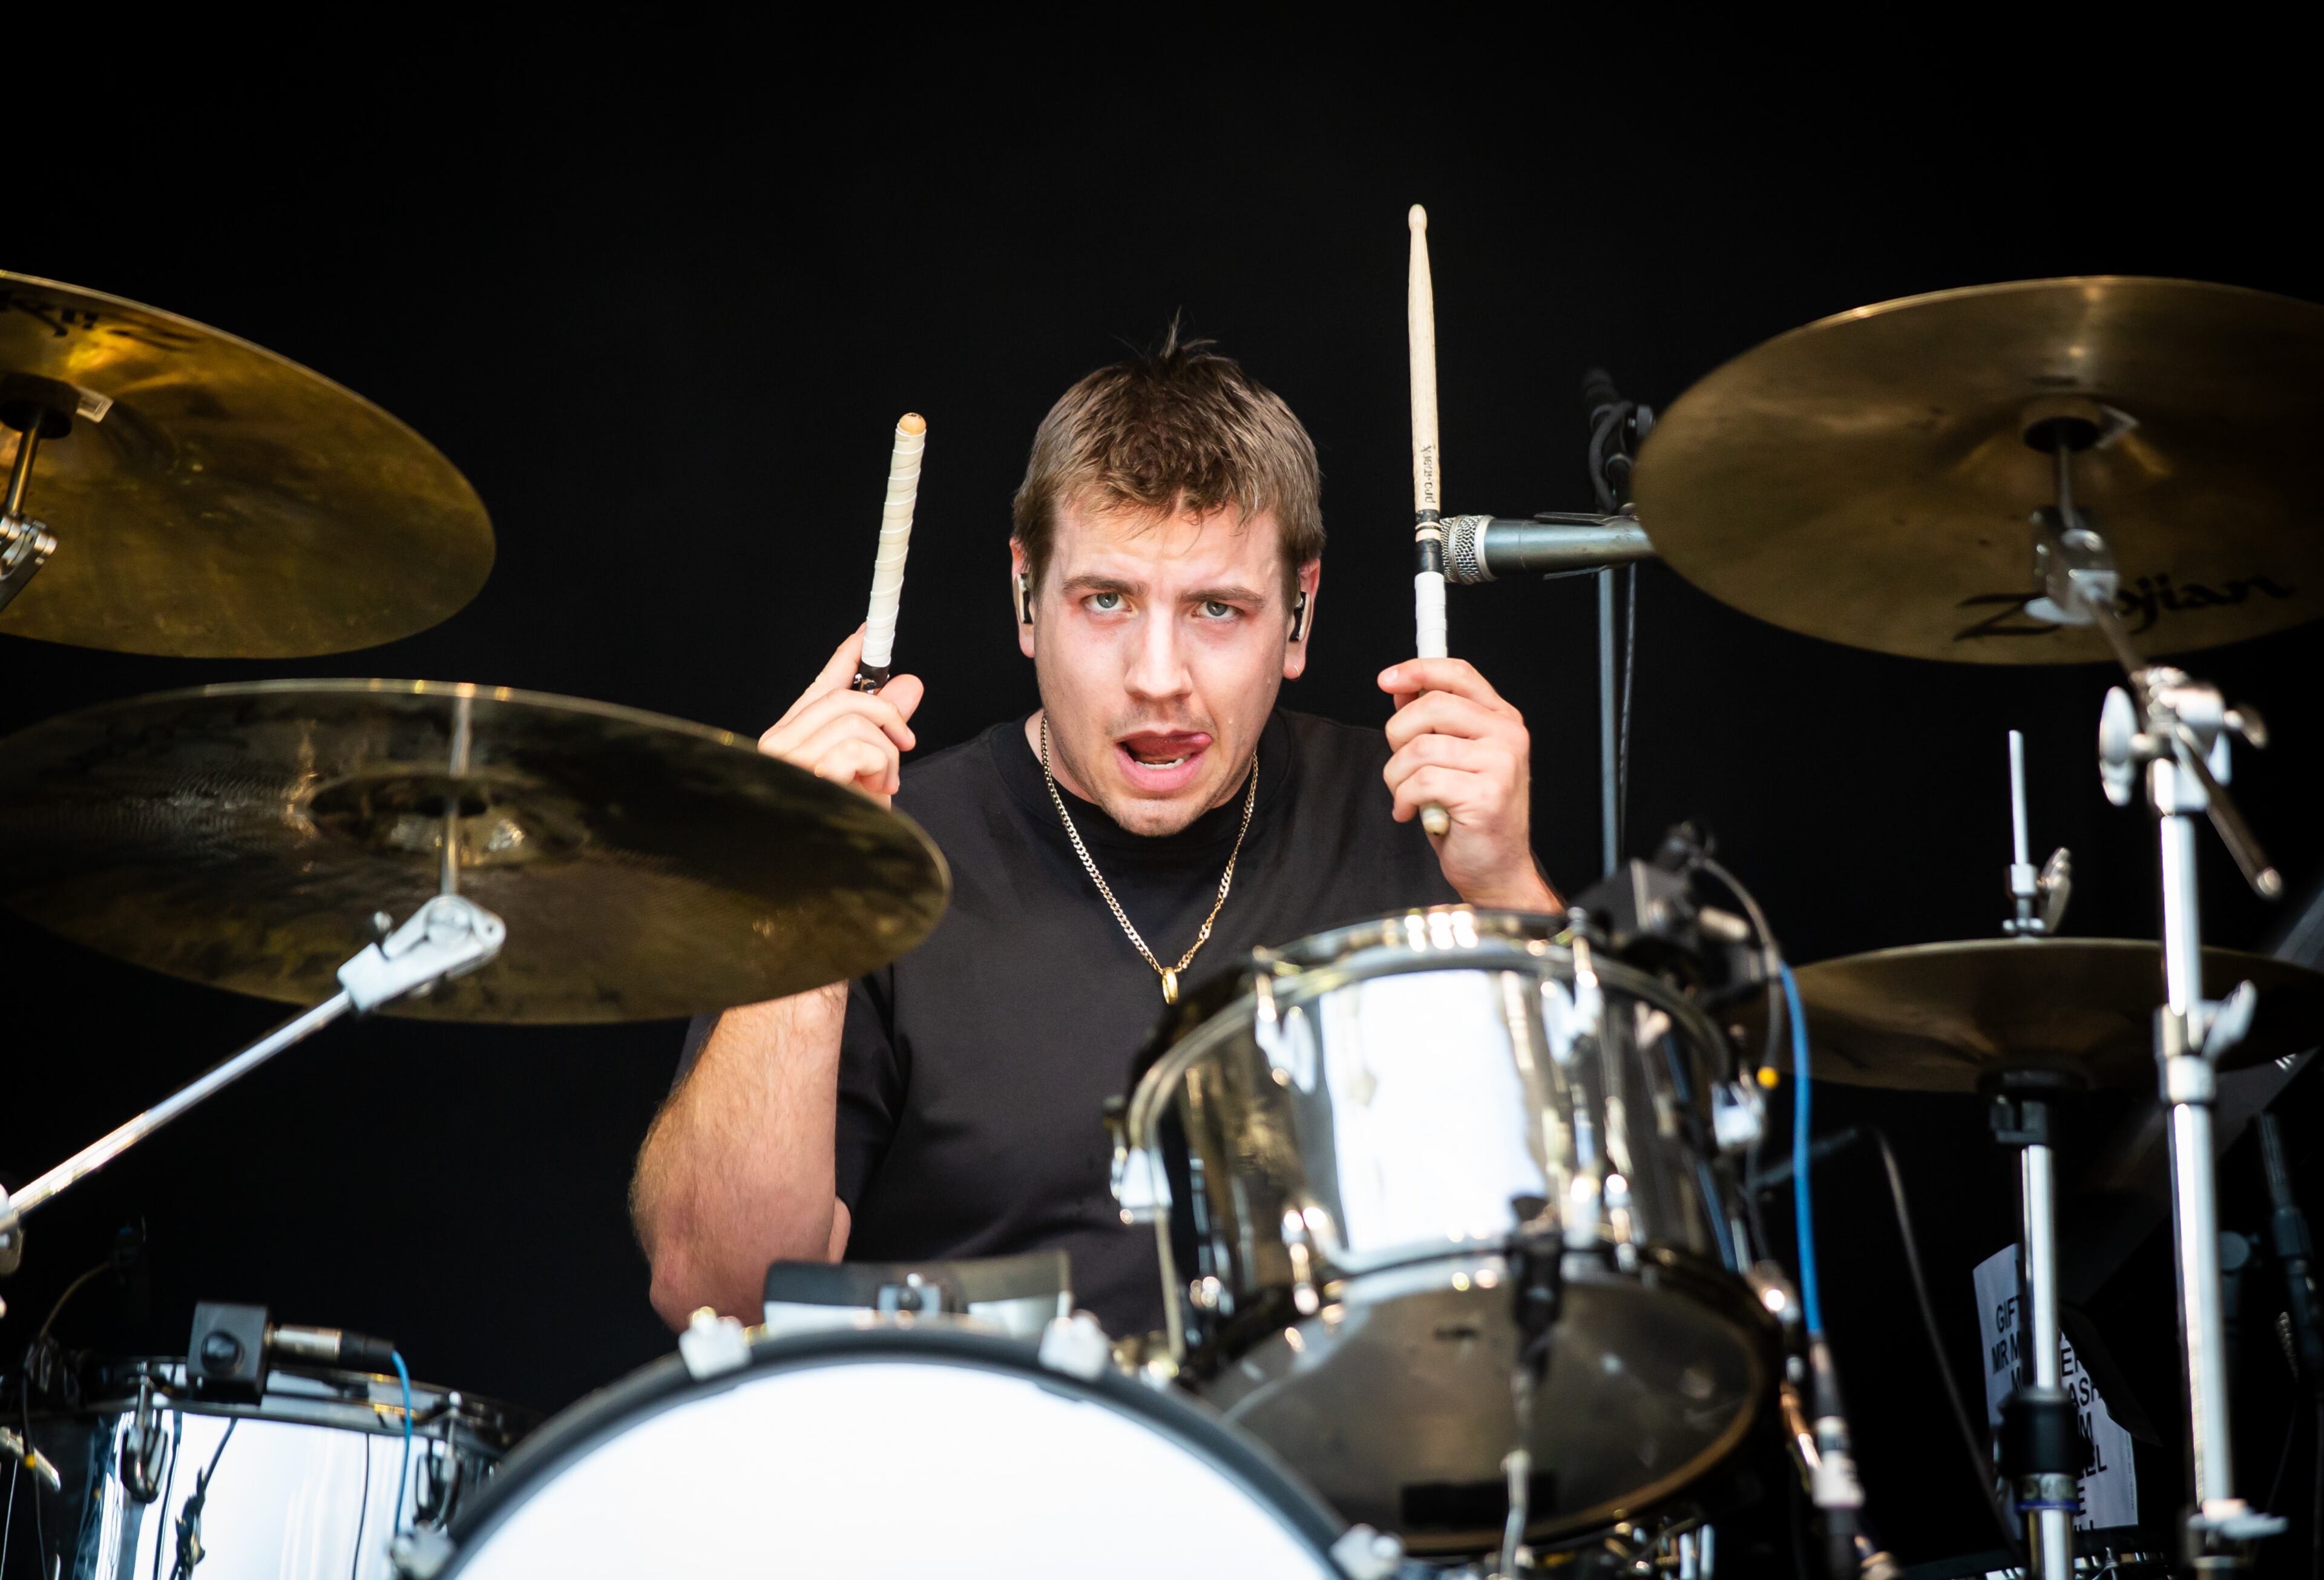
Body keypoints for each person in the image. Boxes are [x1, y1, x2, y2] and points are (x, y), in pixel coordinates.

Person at [631, 334, 1561, 1337]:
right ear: (1028, 599)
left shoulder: (1414, 816)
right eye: (1106, 600)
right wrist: (804, 904)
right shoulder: (881, 849)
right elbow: (714, 1290)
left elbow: (1587, 1224)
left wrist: (1506, 883)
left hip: (1335, 1474)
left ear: (1299, 617)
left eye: (1218, 608)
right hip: (970, 1474)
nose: (1157, 674)